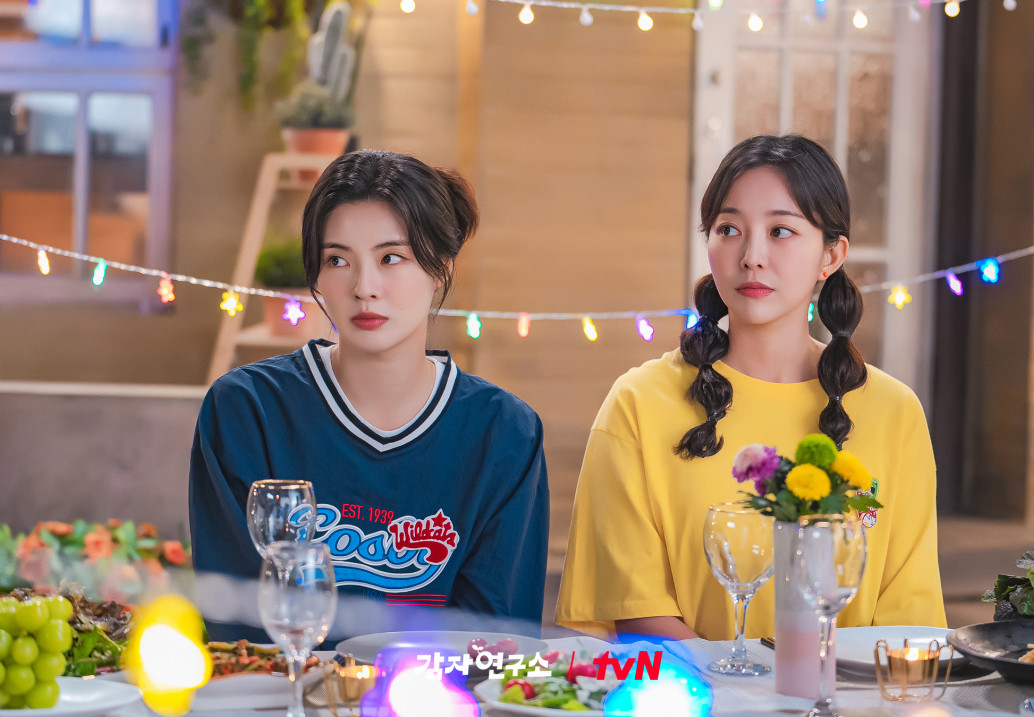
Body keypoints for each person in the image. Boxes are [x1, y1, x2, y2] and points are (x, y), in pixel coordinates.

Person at [555, 135, 946, 641]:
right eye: (729, 229)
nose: (751, 256)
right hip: (694, 688)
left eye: (781, 231)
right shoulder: (638, 404)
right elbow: (633, 610)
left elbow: (909, 626)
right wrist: (743, 683)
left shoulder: (894, 412)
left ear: (831, 255)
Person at [189, 150, 549, 641]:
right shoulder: (247, 411)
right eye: (338, 260)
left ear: (441, 267)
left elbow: (493, 645)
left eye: (391, 258)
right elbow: (238, 630)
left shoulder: (504, 433)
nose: (364, 287)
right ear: (316, 276)